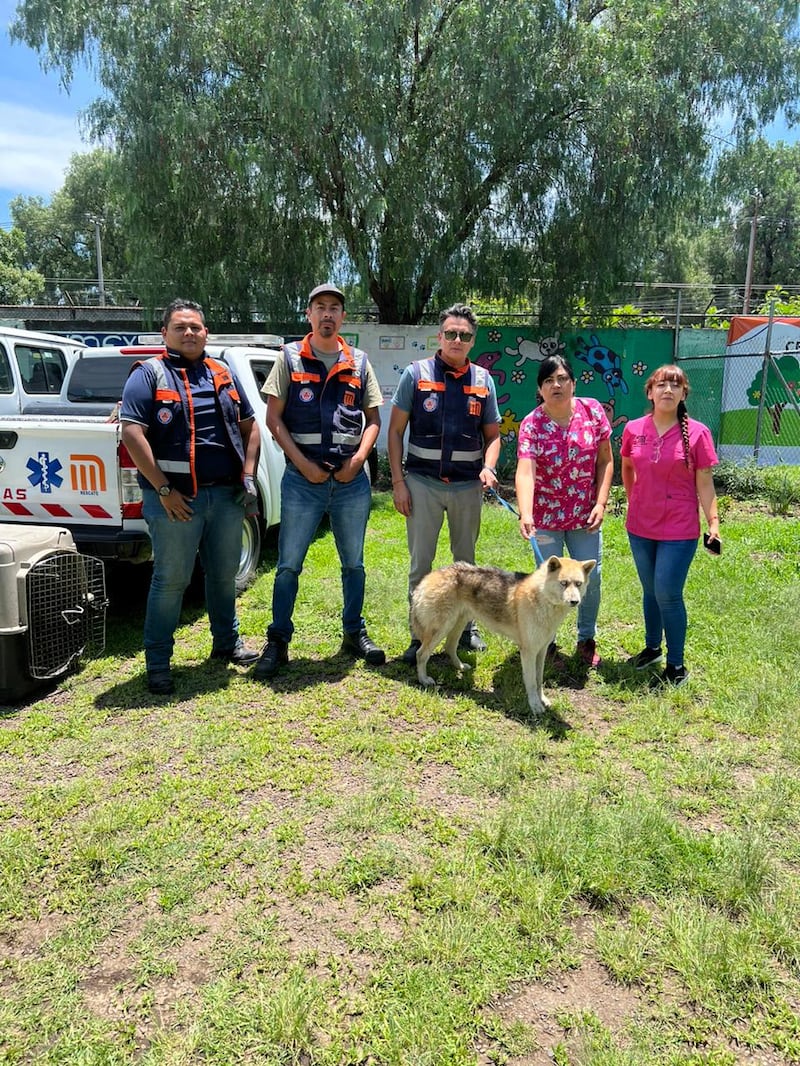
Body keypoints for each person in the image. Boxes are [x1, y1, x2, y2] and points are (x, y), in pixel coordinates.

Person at [120, 299, 261, 695]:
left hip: (227, 497)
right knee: (171, 580)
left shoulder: (223, 372)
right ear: (164, 333)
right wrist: (163, 489)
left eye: (196, 327)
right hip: (175, 502)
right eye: (180, 327)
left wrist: (247, 474)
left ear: (206, 332)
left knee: (222, 575)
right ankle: (158, 661)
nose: (189, 333)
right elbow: (132, 433)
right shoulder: (148, 375)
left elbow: (251, 428)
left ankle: (226, 643)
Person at [254, 283, 385, 679]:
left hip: (350, 482)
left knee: (354, 564)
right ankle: (278, 640)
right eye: (320, 308)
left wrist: (359, 460)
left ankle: (353, 632)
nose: (327, 314)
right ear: (309, 314)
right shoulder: (290, 357)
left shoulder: (359, 361)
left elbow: (374, 420)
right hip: (302, 480)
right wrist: (303, 464)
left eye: (335, 308)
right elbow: (273, 419)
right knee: (289, 565)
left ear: (343, 317)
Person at [388, 303, 501, 663]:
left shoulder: (483, 380)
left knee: (466, 566)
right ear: (439, 337)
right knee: (421, 565)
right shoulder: (416, 374)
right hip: (422, 483)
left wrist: (489, 466)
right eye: (450, 333)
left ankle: (466, 631)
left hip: (467, 486)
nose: (457, 339)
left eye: (464, 335)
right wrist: (398, 482)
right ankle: (419, 636)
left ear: (472, 341)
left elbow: (494, 435)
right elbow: (394, 432)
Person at [620, 364, 720, 687]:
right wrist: (634, 500)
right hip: (640, 526)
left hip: (679, 528)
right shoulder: (634, 429)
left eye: (675, 385)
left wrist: (713, 524)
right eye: (661, 384)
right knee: (650, 590)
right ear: (649, 392)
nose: (668, 390)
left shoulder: (699, 433)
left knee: (667, 592)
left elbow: (705, 484)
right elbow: (626, 466)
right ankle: (652, 648)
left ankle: (676, 666)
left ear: (683, 394)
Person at [515, 355, 613, 667]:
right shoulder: (531, 424)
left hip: (586, 517)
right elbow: (526, 471)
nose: (556, 385)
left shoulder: (592, 411)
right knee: (550, 582)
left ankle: (586, 638)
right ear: (540, 390)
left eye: (562, 379)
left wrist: (600, 502)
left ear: (573, 383)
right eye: (548, 381)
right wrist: (526, 512)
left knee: (591, 578)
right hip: (545, 518)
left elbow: (605, 461)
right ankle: (549, 642)